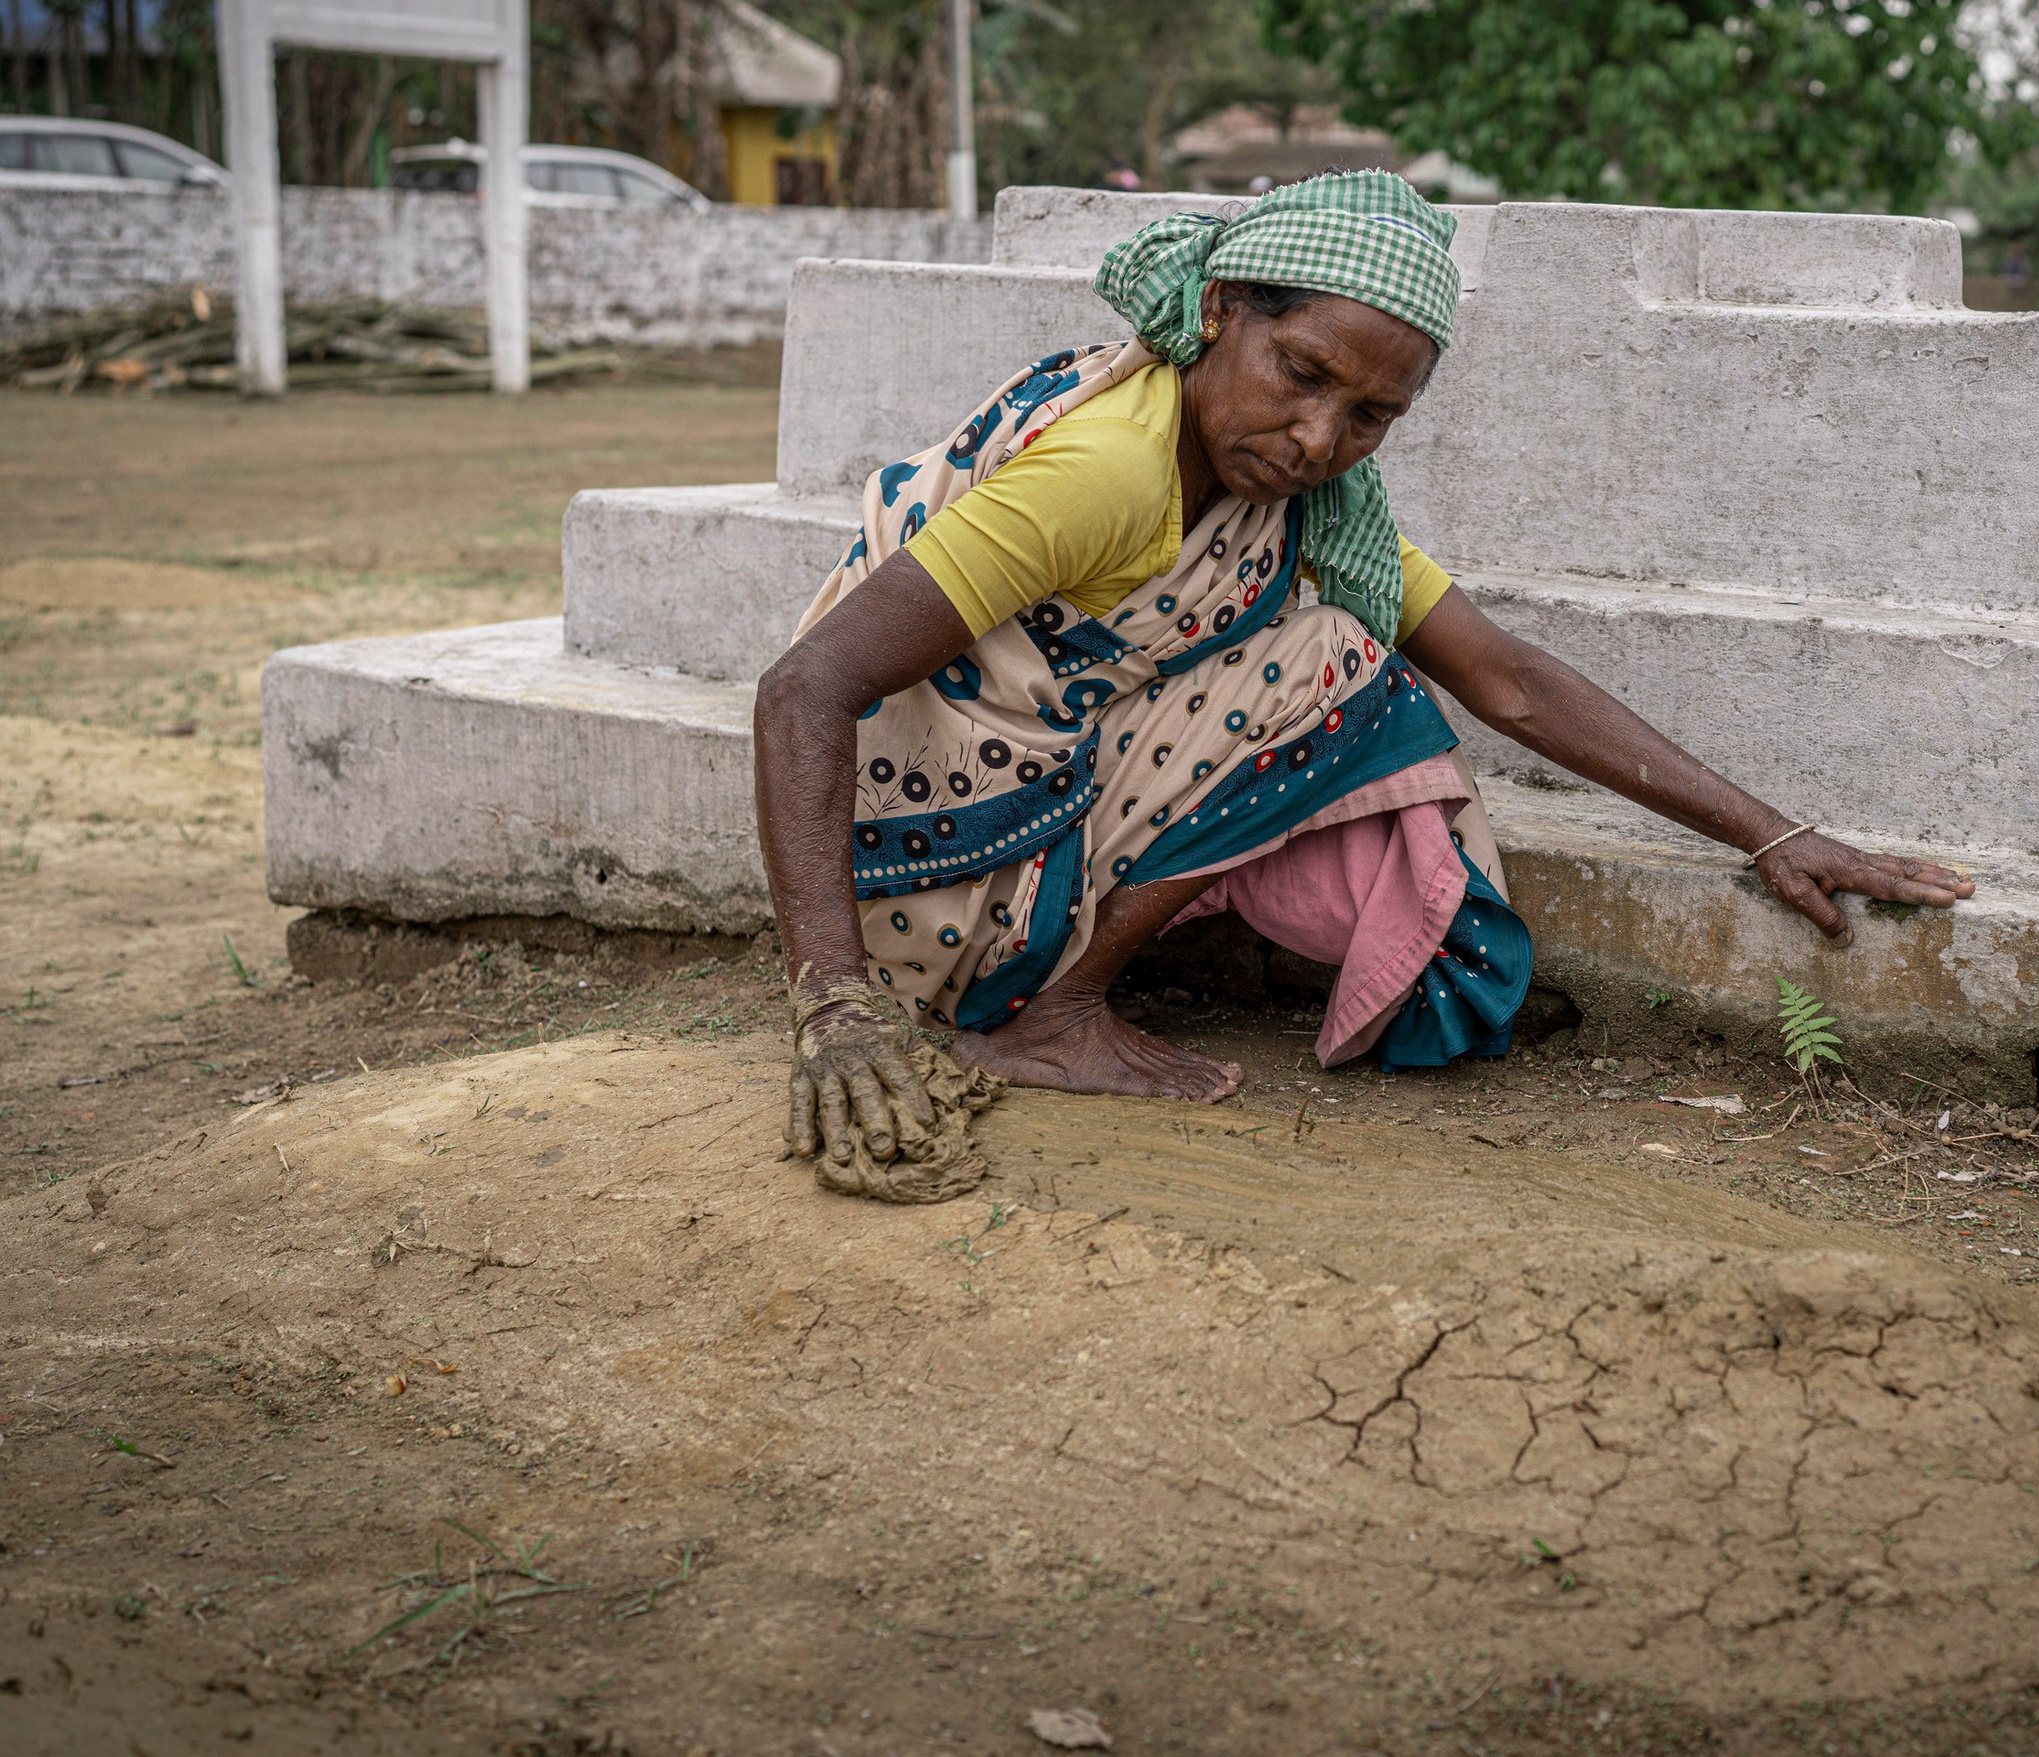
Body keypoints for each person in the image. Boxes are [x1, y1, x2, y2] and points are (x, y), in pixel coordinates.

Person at [754, 170, 1972, 1177]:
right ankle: (1049, 1014)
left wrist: (1770, 834)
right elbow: (804, 686)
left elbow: (1507, 680)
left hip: (977, 846)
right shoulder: (1110, 471)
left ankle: (1052, 980)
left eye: (1371, 415)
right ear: (1223, 308)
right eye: (1303, 374)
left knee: (1344, 644)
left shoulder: (1295, 497)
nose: (1318, 440)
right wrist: (836, 1004)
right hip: (913, 896)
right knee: (1332, 661)